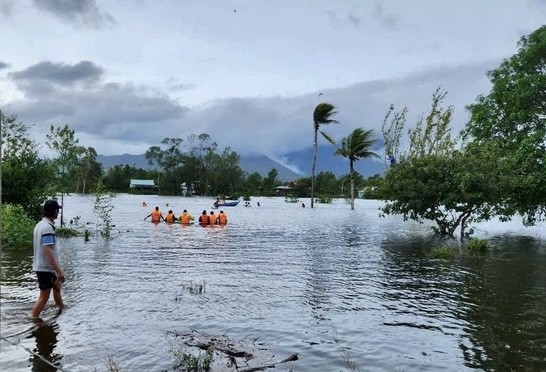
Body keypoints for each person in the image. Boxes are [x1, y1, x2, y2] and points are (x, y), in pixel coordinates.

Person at [30, 200, 65, 318]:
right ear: (55, 211)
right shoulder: (47, 228)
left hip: (44, 267)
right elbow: (47, 250)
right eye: (58, 210)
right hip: (45, 268)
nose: (58, 213)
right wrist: (58, 271)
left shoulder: (40, 225)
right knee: (44, 296)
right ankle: (33, 318)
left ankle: (61, 308)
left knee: (57, 286)